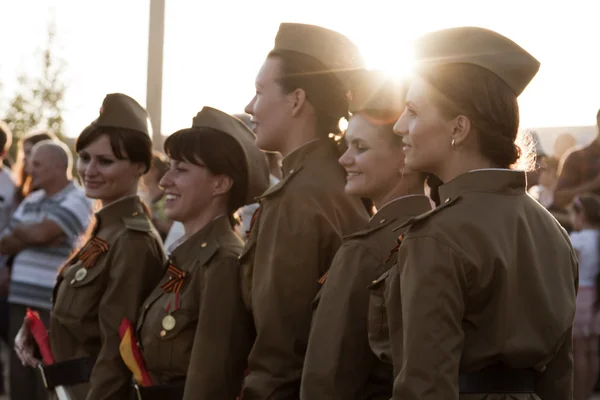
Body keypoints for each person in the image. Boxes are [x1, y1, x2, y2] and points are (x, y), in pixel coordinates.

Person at [388, 27, 577, 399]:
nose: (399, 126)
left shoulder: (437, 235)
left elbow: (425, 388)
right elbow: (560, 378)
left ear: (459, 128)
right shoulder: (552, 231)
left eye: (412, 112)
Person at [240, 22, 369, 398]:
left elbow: (280, 352)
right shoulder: (337, 179)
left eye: (260, 92)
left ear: (296, 100)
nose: (250, 107)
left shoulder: (297, 197)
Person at [14, 93, 166, 399]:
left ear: (139, 167)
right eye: (85, 157)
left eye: (105, 161)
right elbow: (85, 325)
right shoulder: (105, 229)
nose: (89, 170)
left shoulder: (132, 240)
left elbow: (116, 351)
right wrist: (45, 334)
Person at [300, 70, 434, 399]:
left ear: (405, 155)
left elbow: (326, 384)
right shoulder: (444, 230)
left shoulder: (365, 252)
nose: (345, 159)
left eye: (359, 147)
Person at [128, 107, 269, 400]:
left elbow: (213, 379)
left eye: (181, 169)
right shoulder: (188, 256)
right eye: (169, 167)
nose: (165, 181)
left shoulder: (223, 262)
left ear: (220, 183)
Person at [0, 140, 92, 400]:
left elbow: (42, 232)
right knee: (20, 375)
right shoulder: (33, 199)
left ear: (58, 166)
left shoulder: (79, 198)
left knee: (49, 376)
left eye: (37, 164)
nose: (29, 169)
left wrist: (34, 233)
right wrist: (36, 234)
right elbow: (5, 240)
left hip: (52, 304)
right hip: (20, 301)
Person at [567, 194, 600, 400]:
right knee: (593, 349)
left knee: (578, 350)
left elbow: (571, 270)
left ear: (582, 215)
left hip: (581, 296)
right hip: (597, 297)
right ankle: (589, 394)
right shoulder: (598, 237)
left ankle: (578, 396)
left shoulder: (577, 240)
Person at [12, 130, 57, 205]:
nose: (24, 158)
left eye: (29, 152)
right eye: (24, 153)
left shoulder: (54, 192)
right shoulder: (21, 188)